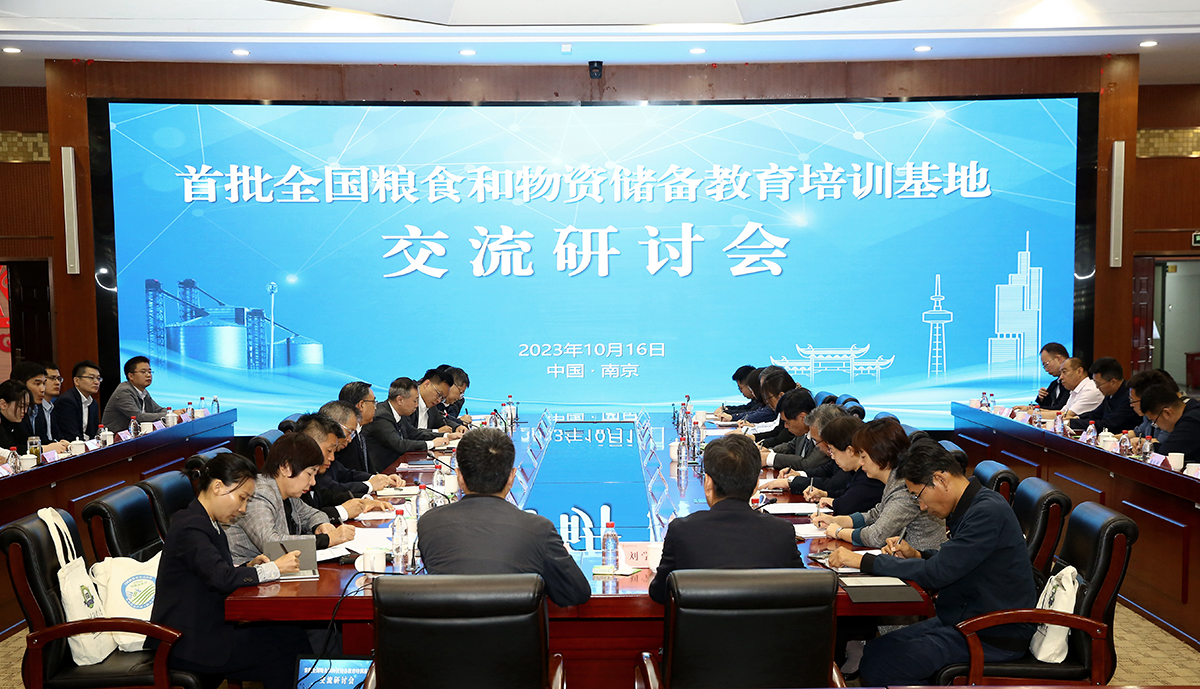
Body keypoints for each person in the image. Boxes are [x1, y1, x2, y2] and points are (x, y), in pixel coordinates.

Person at [828, 439, 1036, 686]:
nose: (922, 507)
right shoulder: (973, 505)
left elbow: (938, 573)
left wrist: (865, 561)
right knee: (875, 651)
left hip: (991, 633)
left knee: (881, 663)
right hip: (965, 619)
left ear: (940, 480)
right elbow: (955, 560)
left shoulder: (986, 512)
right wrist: (917, 555)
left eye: (919, 496)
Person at [148, 452, 310, 689]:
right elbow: (221, 578)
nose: (243, 509)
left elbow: (213, 571)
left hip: (208, 630)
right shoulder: (190, 526)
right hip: (186, 641)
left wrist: (249, 567)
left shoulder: (208, 522)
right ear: (217, 487)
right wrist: (274, 569)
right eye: (242, 498)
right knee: (285, 653)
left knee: (291, 635)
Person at [417, 427, 592, 607]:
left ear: (459, 477)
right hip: (515, 626)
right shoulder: (538, 529)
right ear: (511, 477)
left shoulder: (429, 524)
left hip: (448, 625)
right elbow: (575, 593)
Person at [648, 433, 802, 603]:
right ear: (756, 486)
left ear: (708, 483)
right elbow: (805, 590)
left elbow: (659, 593)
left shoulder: (682, 531)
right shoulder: (782, 532)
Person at [811, 418, 946, 552]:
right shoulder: (894, 480)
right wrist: (835, 520)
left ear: (880, 456)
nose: (861, 463)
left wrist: (839, 532)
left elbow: (876, 536)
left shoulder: (906, 488)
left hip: (922, 560)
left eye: (864, 457)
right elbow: (875, 514)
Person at [224, 432, 356, 564]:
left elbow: (313, 514)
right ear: (285, 468)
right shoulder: (257, 494)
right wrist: (326, 540)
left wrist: (321, 525)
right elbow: (271, 544)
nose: (313, 482)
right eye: (309, 474)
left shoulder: (287, 492)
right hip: (247, 571)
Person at [296, 410, 395, 522]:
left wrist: (363, 501)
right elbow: (303, 520)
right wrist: (342, 511)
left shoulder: (315, 472)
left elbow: (326, 495)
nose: (332, 458)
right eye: (329, 451)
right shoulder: (293, 478)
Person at [793, 415, 885, 515]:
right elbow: (847, 493)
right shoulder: (857, 472)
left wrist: (832, 501)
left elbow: (846, 505)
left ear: (850, 450)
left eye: (833, 451)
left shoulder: (869, 477)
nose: (832, 457)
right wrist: (825, 494)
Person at [362, 377, 455, 472]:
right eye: (415, 401)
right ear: (400, 400)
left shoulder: (400, 413)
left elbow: (414, 433)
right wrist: (432, 443)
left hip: (397, 467)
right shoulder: (382, 416)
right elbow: (399, 445)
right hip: (382, 472)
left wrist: (445, 436)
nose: (416, 405)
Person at [774, 403, 850, 493]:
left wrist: (792, 482)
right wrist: (799, 474)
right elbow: (827, 470)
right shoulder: (840, 451)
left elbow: (835, 484)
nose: (817, 446)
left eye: (817, 441)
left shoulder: (850, 454)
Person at [761, 388, 824, 471]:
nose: (785, 426)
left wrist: (770, 458)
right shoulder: (802, 432)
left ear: (803, 417)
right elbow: (791, 446)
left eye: (787, 422)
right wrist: (769, 452)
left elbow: (808, 464)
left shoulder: (822, 434)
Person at [1071, 357, 1140, 433]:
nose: (1097, 387)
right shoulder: (1110, 393)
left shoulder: (1129, 397)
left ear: (1113, 382)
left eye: (1099, 384)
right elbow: (1096, 414)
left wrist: (1072, 423)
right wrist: (1076, 418)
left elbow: (1108, 425)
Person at [100, 355, 169, 430]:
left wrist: (173, 412)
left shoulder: (143, 392)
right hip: (116, 436)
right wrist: (168, 415)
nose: (148, 375)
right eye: (143, 372)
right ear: (131, 376)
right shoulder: (124, 391)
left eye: (149, 372)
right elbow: (138, 417)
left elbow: (157, 410)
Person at [1139, 384, 1200, 465]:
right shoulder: (1192, 407)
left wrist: (1149, 448)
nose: (1157, 426)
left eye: (1154, 421)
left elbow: (1166, 453)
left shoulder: (1191, 421)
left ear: (1167, 413)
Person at [12, 361, 65, 450]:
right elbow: (13, 447)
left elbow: (39, 440)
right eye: (37, 384)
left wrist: (58, 444)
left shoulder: (36, 408)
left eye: (44, 383)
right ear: (20, 384)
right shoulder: (12, 411)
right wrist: (44, 449)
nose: (43, 389)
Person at [51, 360, 102, 441]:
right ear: (76, 381)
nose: (96, 382)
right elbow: (71, 436)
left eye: (98, 378)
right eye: (91, 378)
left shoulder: (93, 403)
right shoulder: (67, 401)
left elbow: (94, 433)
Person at [1129, 369, 1178, 447]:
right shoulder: (1148, 413)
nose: (1131, 405)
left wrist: (1141, 441)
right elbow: (1138, 431)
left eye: (1133, 400)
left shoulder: (1168, 412)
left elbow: (1162, 442)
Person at [335, 381, 376, 473]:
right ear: (361, 405)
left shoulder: (360, 432)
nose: (375, 407)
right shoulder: (343, 438)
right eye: (373, 402)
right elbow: (345, 474)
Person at [1033, 343, 1070, 410]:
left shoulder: (1072, 382)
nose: (1046, 370)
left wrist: (1031, 408)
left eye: (1046, 364)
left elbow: (1060, 408)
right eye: (1044, 366)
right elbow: (1049, 406)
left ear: (1059, 359)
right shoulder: (1054, 384)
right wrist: (1042, 398)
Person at [0, 379, 34, 451]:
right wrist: (43, 448)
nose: (25, 411)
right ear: (3, 404)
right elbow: (8, 449)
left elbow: (29, 440)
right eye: (21, 406)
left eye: (27, 406)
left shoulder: (17, 420)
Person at [42, 363, 61, 440]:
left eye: (59, 379)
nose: (57, 383)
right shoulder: (35, 409)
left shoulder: (52, 406)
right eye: (52, 378)